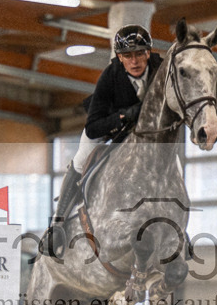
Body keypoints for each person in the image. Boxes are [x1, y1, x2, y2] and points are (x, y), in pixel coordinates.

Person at [42, 24, 163, 257]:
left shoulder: (161, 69)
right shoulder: (110, 76)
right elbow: (93, 125)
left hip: (142, 132)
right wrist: (122, 116)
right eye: (127, 55)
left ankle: (175, 225)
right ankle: (57, 224)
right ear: (119, 57)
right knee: (80, 159)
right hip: (108, 125)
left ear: (149, 52)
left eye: (139, 53)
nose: (135, 61)